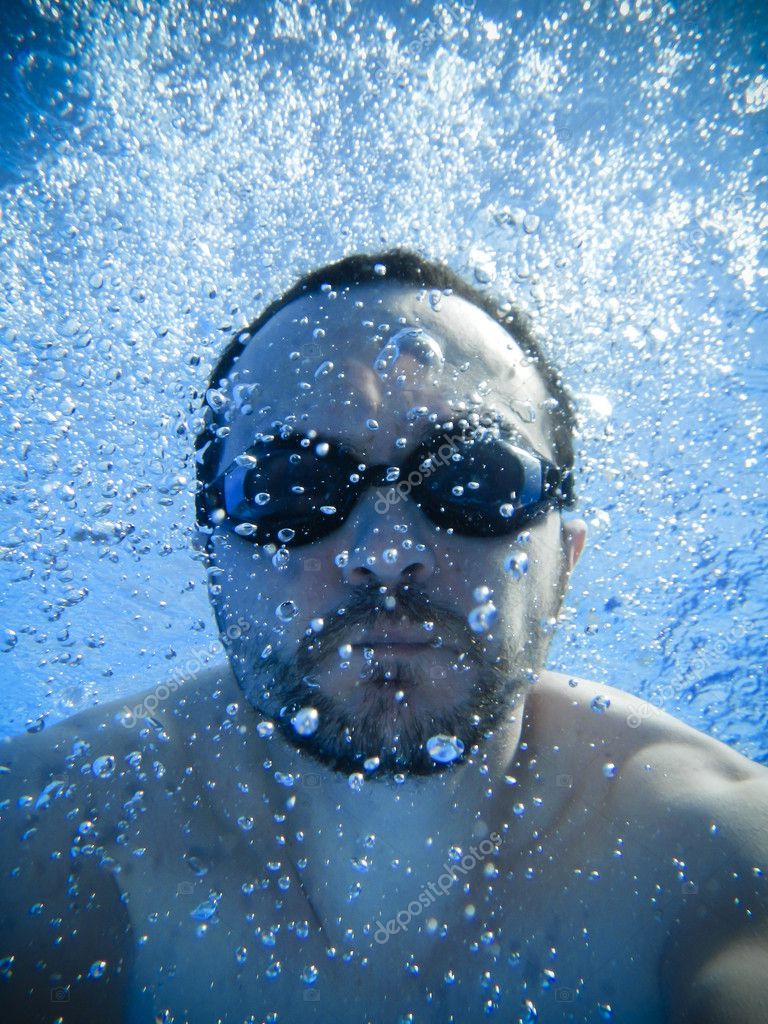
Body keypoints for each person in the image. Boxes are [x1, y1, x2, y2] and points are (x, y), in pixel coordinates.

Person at [1, 250, 766, 1024]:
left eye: (476, 479)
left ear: (563, 562)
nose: (386, 550)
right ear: (213, 561)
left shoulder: (717, 849)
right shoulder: (53, 826)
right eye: (292, 487)